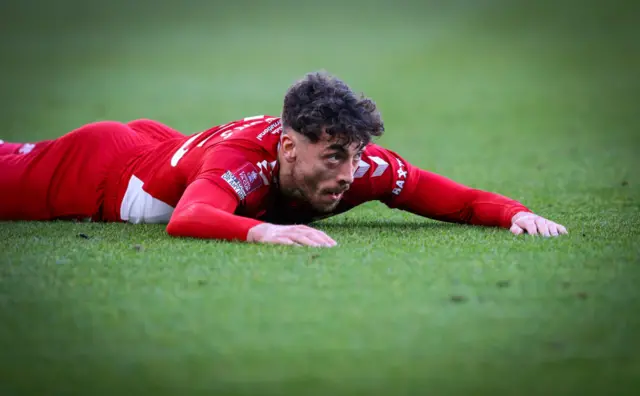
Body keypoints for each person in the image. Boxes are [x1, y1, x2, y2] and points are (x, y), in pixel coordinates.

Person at [0, 71, 567, 247]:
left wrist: (513, 212)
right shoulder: (241, 162)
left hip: (164, 149)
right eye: (335, 157)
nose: (349, 174)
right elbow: (189, 218)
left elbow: (452, 197)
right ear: (289, 147)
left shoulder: (356, 165)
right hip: (96, 173)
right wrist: (267, 236)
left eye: (355, 155)